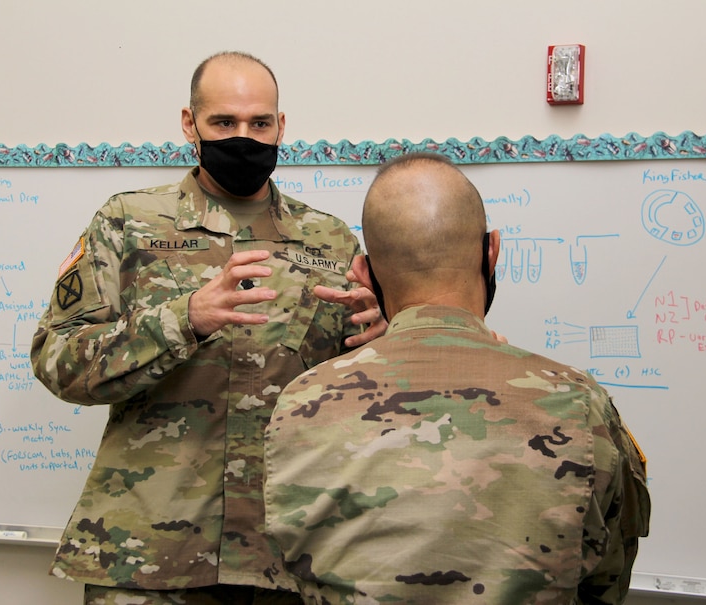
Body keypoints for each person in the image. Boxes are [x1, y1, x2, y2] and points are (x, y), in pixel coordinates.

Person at [30, 51, 385, 605]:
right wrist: (182, 321)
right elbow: (57, 361)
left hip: (289, 556)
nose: (244, 137)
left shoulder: (331, 241)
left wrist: (381, 344)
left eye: (259, 123)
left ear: (281, 126)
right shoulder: (127, 223)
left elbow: (358, 400)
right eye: (224, 122)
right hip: (147, 554)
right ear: (189, 124)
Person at [264, 153, 651, 605]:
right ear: (493, 251)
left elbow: (291, 572)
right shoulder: (578, 403)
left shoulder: (300, 404)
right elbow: (607, 576)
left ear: (366, 273)